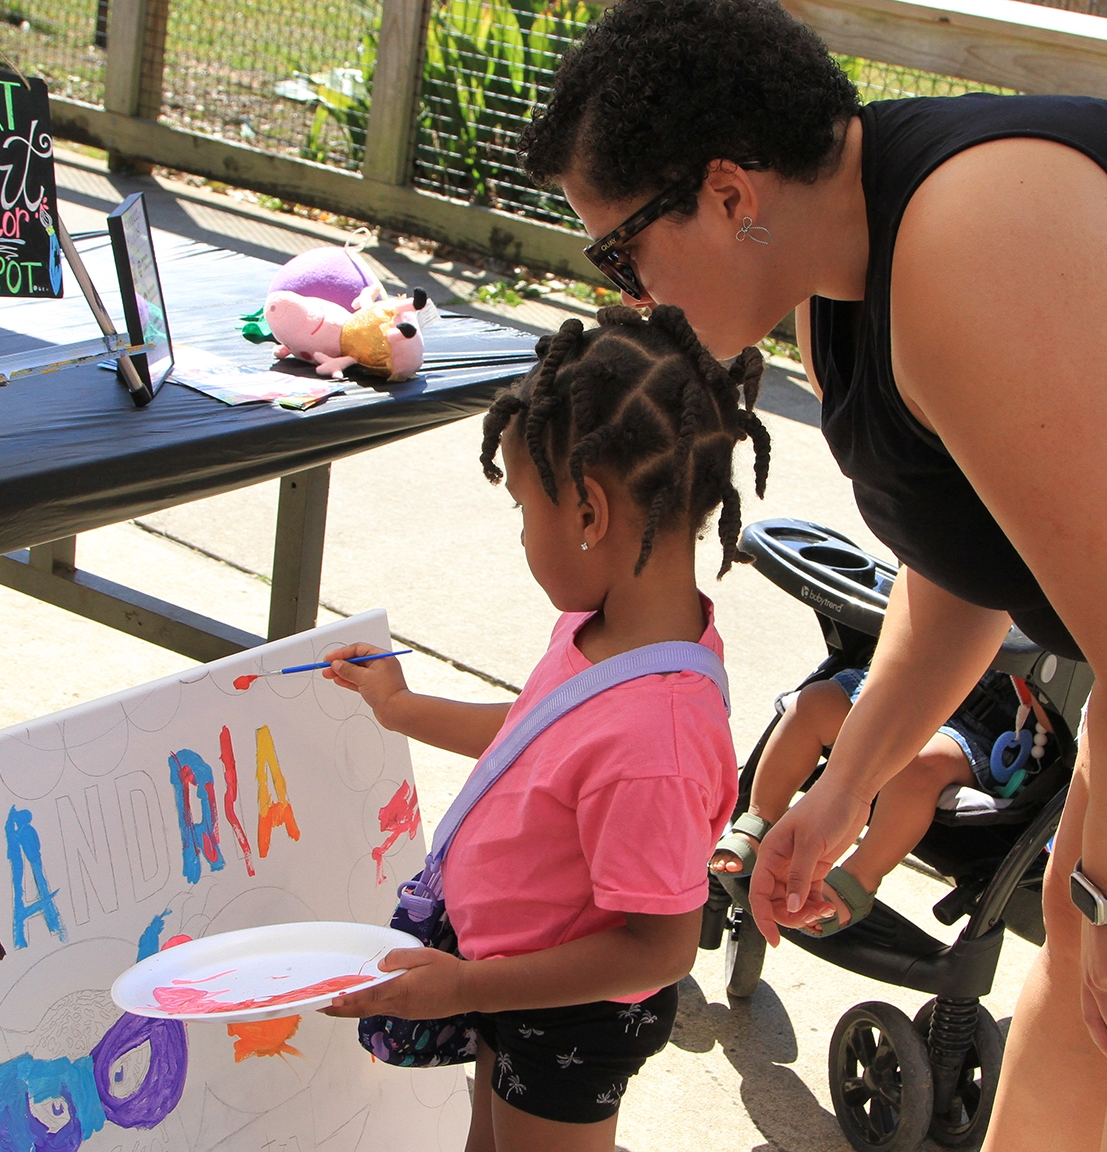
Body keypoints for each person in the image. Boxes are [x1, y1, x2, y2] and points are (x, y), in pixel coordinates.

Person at [517, 0, 1107, 1151]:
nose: (630, 299)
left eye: (619, 255)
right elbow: (961, 571)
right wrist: (841, 790)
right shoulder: (842, 276)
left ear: (729, 193)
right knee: (1083, 951)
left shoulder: (970, 245)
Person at [317, 305, 772, 1152]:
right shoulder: (607, 631)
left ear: (590, 512)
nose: (524, 536)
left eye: (525, 511)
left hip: (569, 1014)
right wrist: (402, 709)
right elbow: (539, 741)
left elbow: (660, 950)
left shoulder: (659, 742)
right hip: (512, 978)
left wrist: (464, 990)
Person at [709, 667, 1026, 935]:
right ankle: (761, 818)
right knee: (814, 703)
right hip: (907, 683)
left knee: (918, 765)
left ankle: (861, 876)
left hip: (986, 728)